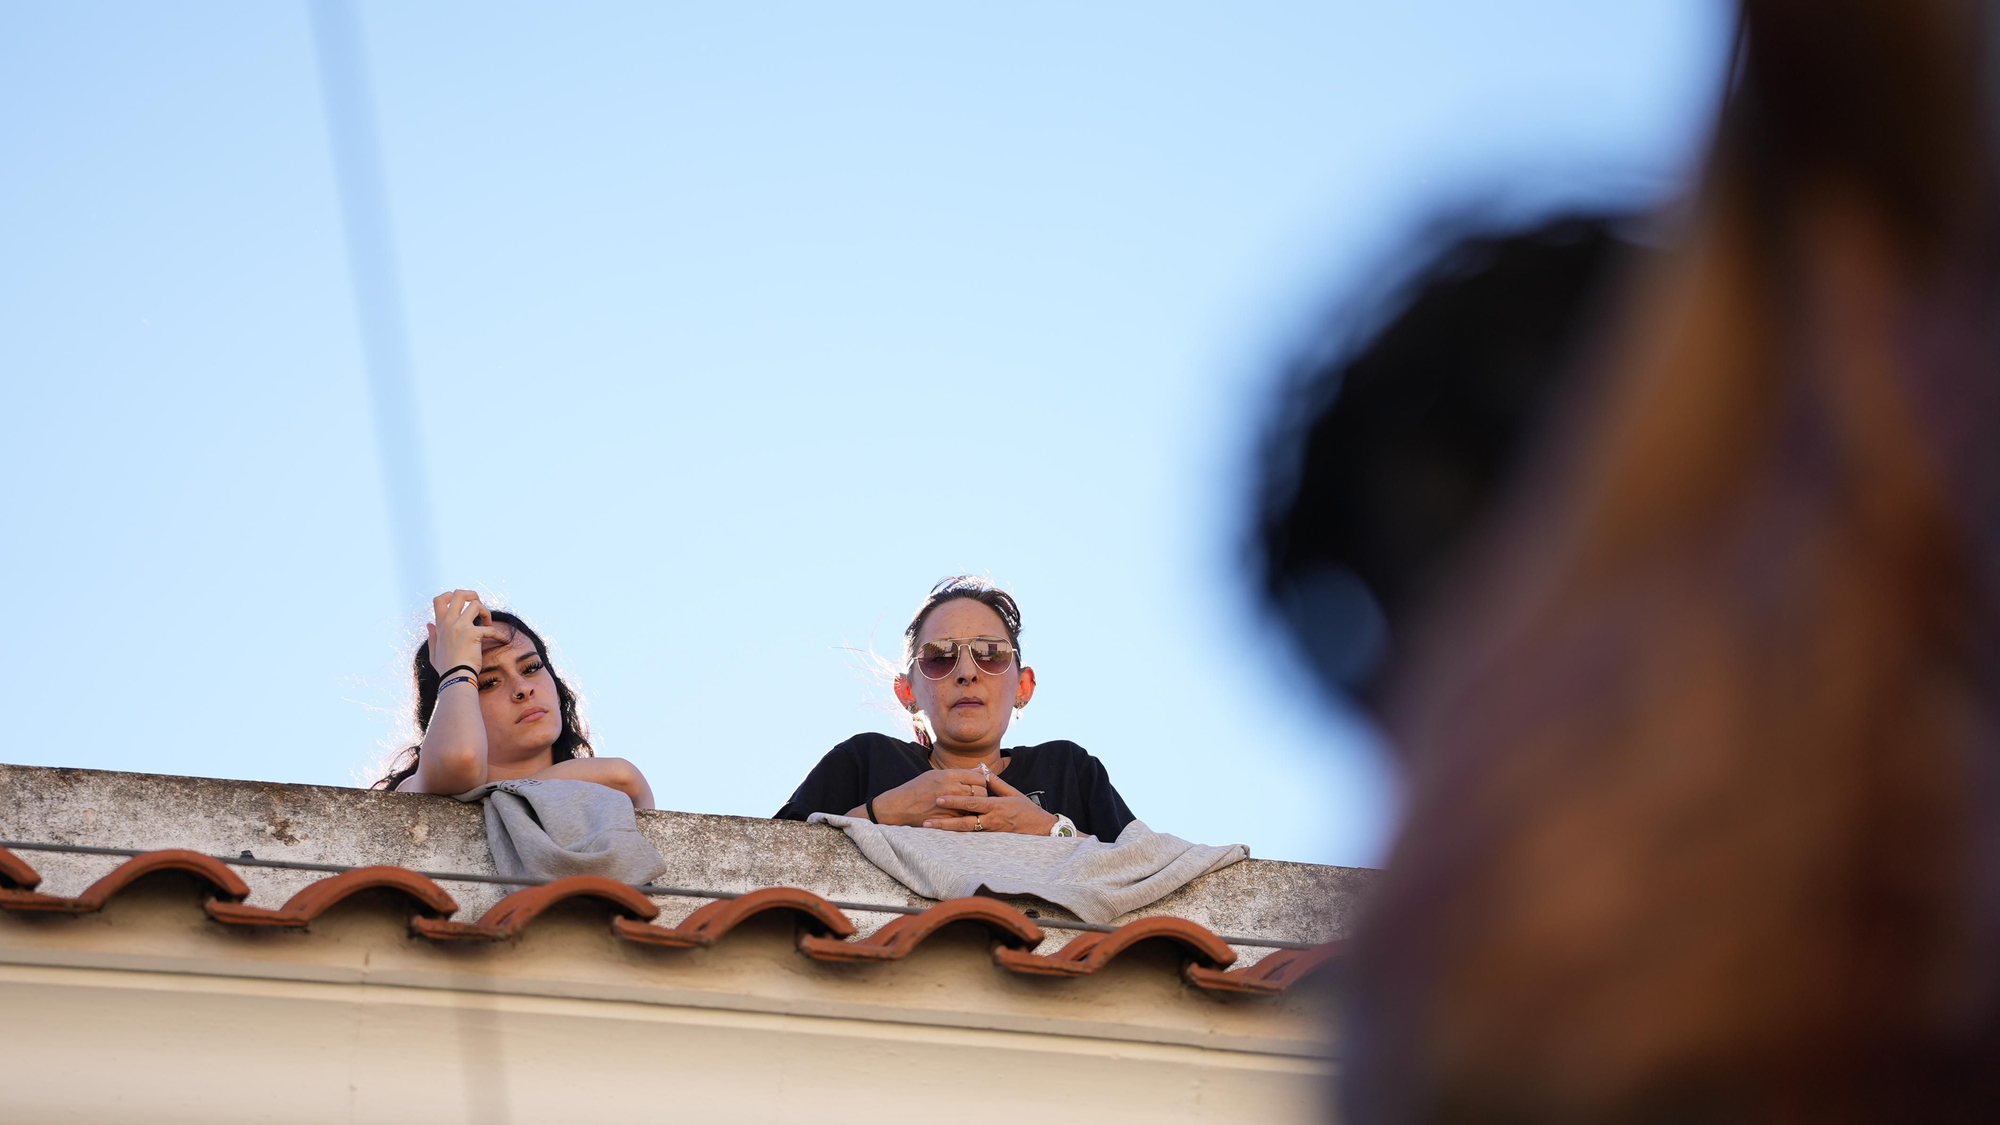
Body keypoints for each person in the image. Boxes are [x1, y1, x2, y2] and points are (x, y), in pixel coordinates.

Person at [775, 576, 1134, 839]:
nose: (965, 673)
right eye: (939, 656)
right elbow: (767, 861)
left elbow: (1152, 872)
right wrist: (881, 812)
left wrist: (1052, 829)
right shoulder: (863, 761)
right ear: (907, 691)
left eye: (990, 654)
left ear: (1023, 686)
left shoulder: (1070, 771)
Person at [374, 590, 654, 809]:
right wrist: (457, 668)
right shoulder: (416, 790)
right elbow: (460, 758)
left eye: (531, 668)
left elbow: (625, 776)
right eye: (488, 682)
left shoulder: (609, 790)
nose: (523, 689)